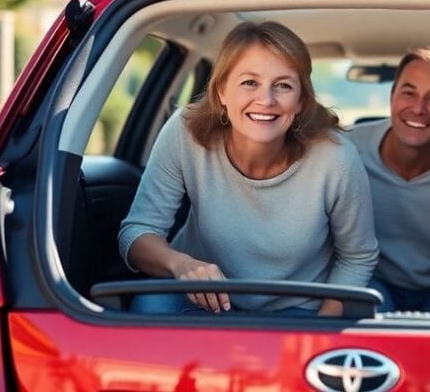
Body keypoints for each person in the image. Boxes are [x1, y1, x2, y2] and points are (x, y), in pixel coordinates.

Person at [118, 21, 379, 317]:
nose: (266, 100)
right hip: (204, 298)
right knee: (149, 306)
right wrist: (181, 265)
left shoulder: (336, 158)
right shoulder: (185, 131)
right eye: (249, 83)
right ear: (221, 92)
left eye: (283, 85)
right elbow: (137, 233)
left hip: (297, 307)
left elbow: (358, 257)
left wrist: (322, 328)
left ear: (301, 101)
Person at [346, 47, 430, 313]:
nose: (418, 108)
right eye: (408, 93)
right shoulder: (346, 150)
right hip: (374, 281)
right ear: (392, 97)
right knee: (362, 313)